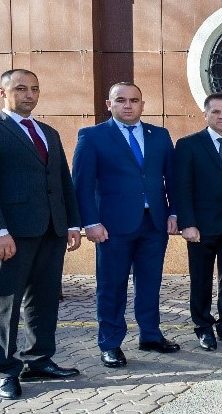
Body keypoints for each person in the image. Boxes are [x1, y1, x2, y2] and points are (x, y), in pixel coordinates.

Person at [0, 69, 83, 401]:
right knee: (6, 302)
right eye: (21, 88)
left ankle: (39, 360)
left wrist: (72, 223)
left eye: (35, 89)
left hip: (51, 230)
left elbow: (62, 180)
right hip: (9, 234)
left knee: (44, 299)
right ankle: (5, 370)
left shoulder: (48, 132)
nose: (29, 95)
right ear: (3, 92)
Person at [72, 82, 178, 367]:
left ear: (142, 104)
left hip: (154, 224)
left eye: (134, 100)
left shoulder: (159, 135)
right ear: (109, 104)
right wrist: (90, 222)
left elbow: (173, 179)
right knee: (112, 286)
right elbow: (81, 185)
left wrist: (174, 213)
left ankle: (151, 335)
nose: (128, 105)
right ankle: (110, 343)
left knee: (150, 284)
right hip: (112, 227)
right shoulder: (92, 136)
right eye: (121, 100)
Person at [171, 93, 222, 351]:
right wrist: (187, 223)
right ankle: (203, 327)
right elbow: (182, 187)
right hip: (201, 227)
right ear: (205, 114)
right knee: (201, 279)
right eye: (215, 112)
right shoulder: (189, 145)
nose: (221, 116)